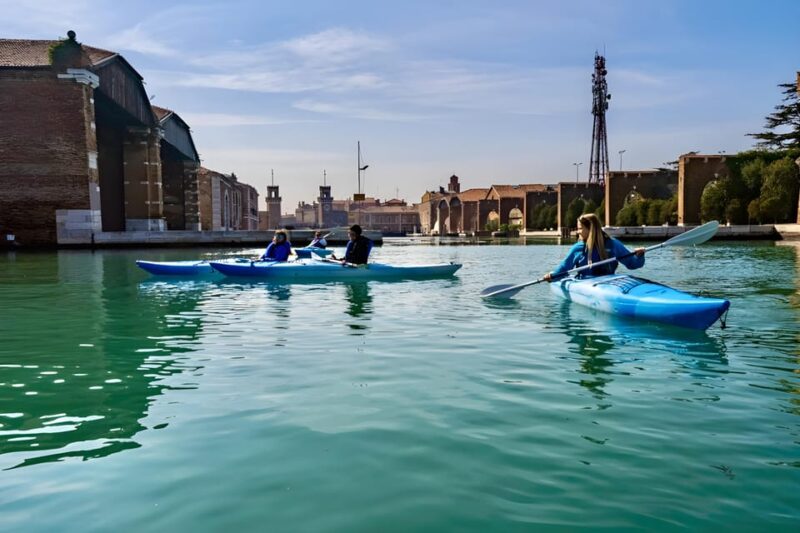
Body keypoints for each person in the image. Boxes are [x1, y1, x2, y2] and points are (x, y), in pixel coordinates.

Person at [544, 213, 645, 281]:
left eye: (580, 228)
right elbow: (565, 268)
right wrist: (552, 276)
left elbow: (632, 264)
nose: (578, 231)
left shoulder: (613, 244)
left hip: (609, 282)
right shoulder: (579, 248)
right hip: (586, 284)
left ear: (590, 229)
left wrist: (639, 256)